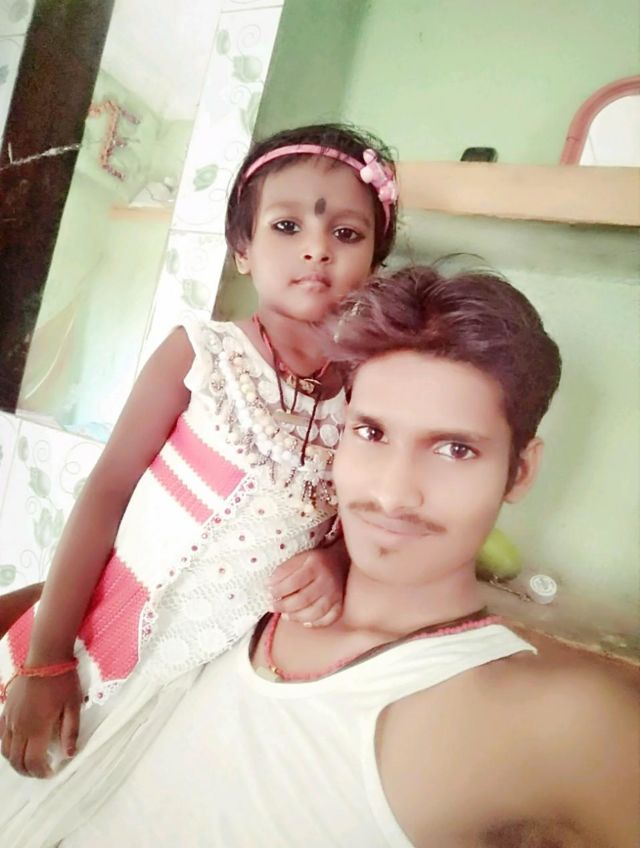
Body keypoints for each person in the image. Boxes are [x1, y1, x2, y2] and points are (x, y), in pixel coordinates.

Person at [47, 265, 637, 848]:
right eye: (372, 433)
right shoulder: (243, 593)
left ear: (521, 471)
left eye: (455, 449)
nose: (392, 494)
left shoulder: (559, 723)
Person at [0, 123, 399, 828]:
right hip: (93, 646)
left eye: (346, 233)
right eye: (287, 226)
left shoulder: (373, 396)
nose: (317, 249)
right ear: (243, 250)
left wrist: (337, 559)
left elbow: (364, 517)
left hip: (209, 687)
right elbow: (107, 492)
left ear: (373, 260)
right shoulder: (202, 355)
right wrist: (46, 660)